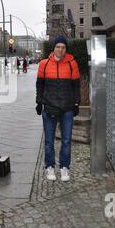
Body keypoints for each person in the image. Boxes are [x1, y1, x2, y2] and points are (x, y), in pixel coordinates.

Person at [36, 35, 80, 182]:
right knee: (49, 140)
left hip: (67, 107)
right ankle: (49, 166)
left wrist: (76, 103)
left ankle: (64, 167)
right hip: (49, 107)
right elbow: (40, 85)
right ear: (53, 48)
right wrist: (39, 102)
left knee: (66, 140)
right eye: (58, 47)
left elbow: (76, 86)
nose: (60, 49)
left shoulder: (72, 63)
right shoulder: (44, 64)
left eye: (63, 47)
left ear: (65, 49)